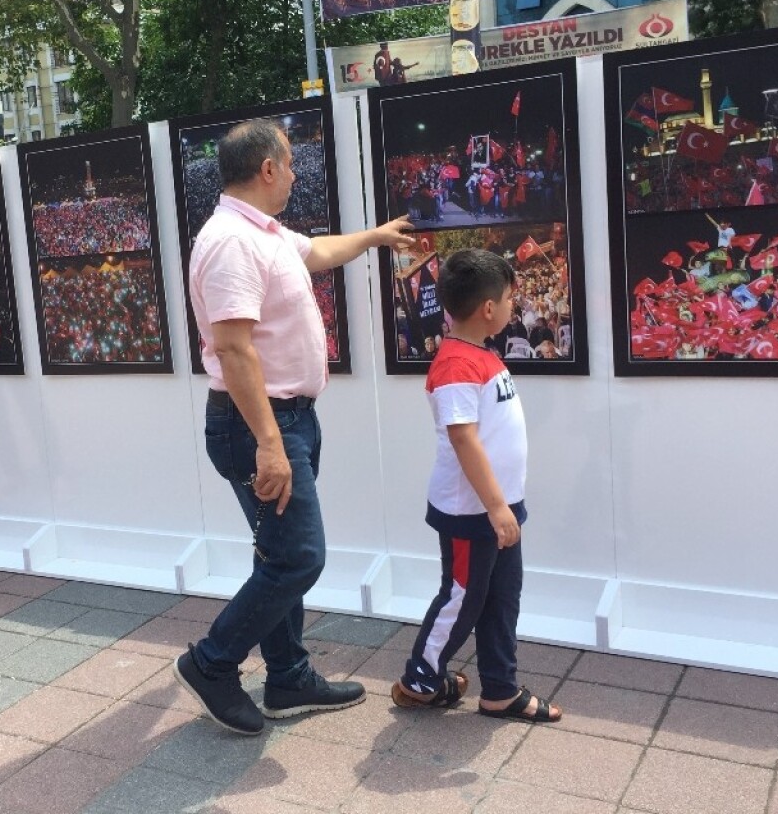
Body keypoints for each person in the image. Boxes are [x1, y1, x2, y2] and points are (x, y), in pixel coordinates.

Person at [174, 118, 414, 735]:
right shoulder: (230, 242)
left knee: (279, 554)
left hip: (288, 420)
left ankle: (287, 677)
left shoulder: (267, 233)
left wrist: (377, 235)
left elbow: (322, 251)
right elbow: (234, 350)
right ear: (268, 169)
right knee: (299, 558)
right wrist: (272, 447)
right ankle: (213, 662)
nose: (296, 175)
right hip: (261, 426)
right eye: (291, 164)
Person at [390, 249, 562, 723]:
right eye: (509, 298)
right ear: (489, 308)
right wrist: (496, 507)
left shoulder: (479, 355)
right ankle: (420, 677)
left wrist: (505, 506)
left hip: (499, 508)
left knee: (503, 598)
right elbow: (463, 439)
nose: (512, 305)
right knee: (463, 597)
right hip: (474, 512)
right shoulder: (454, 365)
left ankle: (500, 690)